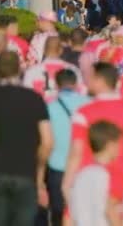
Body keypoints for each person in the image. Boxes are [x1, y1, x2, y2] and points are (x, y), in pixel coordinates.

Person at [63, 62, 123, 226]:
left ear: (99, 80)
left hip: (90, 180)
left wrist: (67, 184)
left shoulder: (84, 112)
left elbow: (77, 151)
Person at [0, 51, 53, 226]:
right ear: (19, 70)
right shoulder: (34, 98)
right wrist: (40, 174)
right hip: (26, 173)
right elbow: (47, 141)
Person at [45, 69, 91, 226]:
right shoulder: (89, 103)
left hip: (57, 165)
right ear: (76, 84)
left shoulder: (50, 107)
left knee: (58, 212)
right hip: (84, 166)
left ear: (57, 85)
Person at [69, 121, 123, 226]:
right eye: (119, 144)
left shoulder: (80, 175)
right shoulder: (105, 175)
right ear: (111, 146)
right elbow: (109, 210)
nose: (120, 149)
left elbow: (72, 214)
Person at [23, 36, 84, 103]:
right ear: (61, 50)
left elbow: (26, 97)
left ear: (44, 50)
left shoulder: (31, 71)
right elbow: (80, 94)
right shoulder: (73, 70)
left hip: (38, 110)